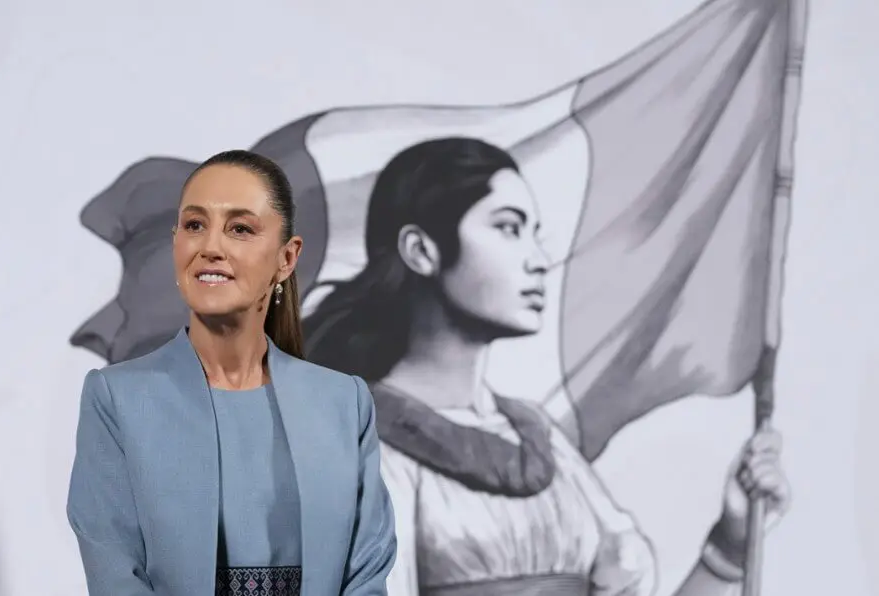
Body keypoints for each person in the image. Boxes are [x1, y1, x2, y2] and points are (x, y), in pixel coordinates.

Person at [302, 138, 792, 596]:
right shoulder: (360, 446)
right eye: (509, 228)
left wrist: (729, 544)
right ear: (421, 250)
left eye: (536, 235)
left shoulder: (541, 439)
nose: (538, 260)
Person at [66, 149, 398, 596]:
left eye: (240, 228)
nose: (210, 247)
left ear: (286, 258)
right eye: (194, 225)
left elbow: (367, 574)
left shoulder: (345, 403)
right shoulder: (116, 399)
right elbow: (115, 576)